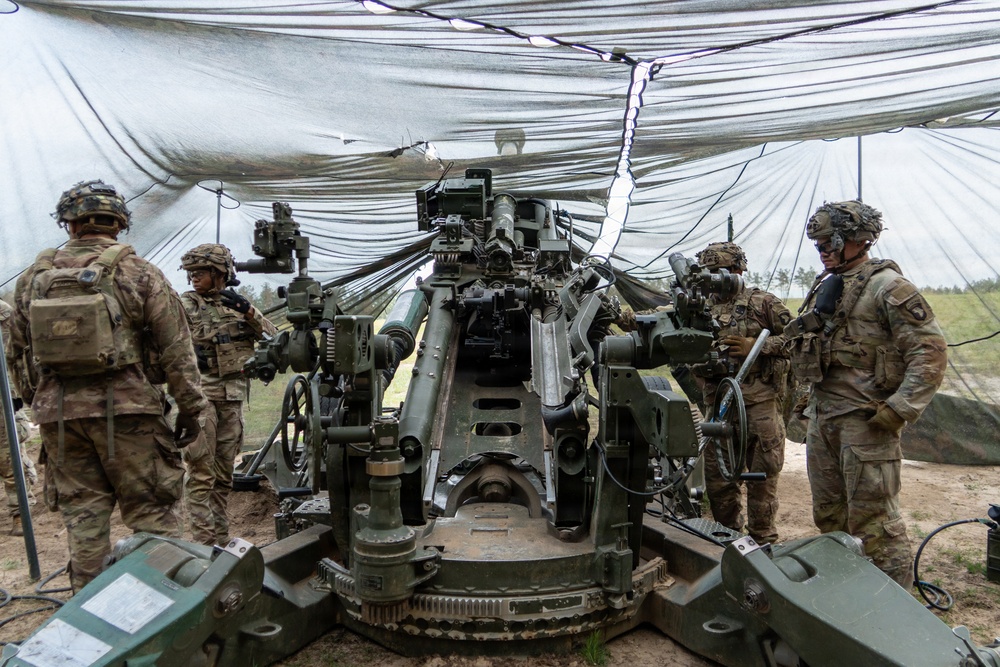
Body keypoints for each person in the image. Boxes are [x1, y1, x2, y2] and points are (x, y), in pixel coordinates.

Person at [5, 180, 207, 592]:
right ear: (118, 224)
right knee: (153, 517)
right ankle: (161, 615)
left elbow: (16, 354)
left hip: (61, 420)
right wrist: (190, 409)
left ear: (69, 224)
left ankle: (90, 626)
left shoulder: (33, 279)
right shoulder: (139, 272)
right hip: (133, 416)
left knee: (83, 521)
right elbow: (177, 349)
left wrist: (39, 402)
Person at [786, 200, 946, 587]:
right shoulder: (830, 286)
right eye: (818, 245)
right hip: (824, 420)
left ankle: (895, 607)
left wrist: (898, 410)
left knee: (875, 522)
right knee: (829, 515)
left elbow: (930, 351)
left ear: (858, 239)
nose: (822, 251)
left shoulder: (888, 287)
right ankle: (846, 592)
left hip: (866, 424)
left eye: (829, 243)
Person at [690, 242, 791, 545]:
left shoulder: (764, 303)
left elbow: (800, 340)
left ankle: (763, 544)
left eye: (720, 271)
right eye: (708, 272)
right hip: (719, 407)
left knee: (762, 482)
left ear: (738, 270)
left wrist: (758, 347)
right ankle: (728, 542)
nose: (714, 278)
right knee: (719, 484)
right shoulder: (699, 306)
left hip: (759, 408)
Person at [179, 244, 277, 546]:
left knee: (222, 477)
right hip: (200, 399)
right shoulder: (185, 305)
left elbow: (274, 337)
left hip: (231, 399)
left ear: (220, 273)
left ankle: (219, 542)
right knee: (200, 475)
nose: (194, 277)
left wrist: (248, 312)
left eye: (202, 272)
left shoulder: (238, 305)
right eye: (191, 272)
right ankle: (204, 545)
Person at [0, 298, 38, 536]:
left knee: (7, 457)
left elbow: (14, 353)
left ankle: (20, 512)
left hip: (1, 397)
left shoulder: (3, 313)